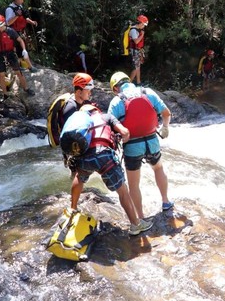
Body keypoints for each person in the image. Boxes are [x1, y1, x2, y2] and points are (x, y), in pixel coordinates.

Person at [60, 106, 153, 236]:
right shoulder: (106, 117)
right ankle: (136, 225)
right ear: (95, 109)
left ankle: (73, 208)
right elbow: (125, 132)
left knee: (79, 178)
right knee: (123, 191)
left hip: (84, 157)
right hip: (104, 156)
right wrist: (122, 138)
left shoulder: (80, 126)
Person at [108, 71, 173, 219]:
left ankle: (141, 217)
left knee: (134, 184)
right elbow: (166, 113)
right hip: (152, 140)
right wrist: (165, 128)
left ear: (115, 88)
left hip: (132, 146)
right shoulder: (147, 92)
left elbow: (110, 126)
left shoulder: (117, 101)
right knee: (158, 168)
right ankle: (166, 201)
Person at [0, 14, 35, 100]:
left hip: (10, 53)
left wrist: (24, 50)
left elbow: (20, 40)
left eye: (0, 26)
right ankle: (5, 94)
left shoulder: (10, 31)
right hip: (0, 54)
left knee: (18, 72)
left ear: (4, 23)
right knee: (1, 75)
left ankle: (26, 89)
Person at [5, 0, 38, 72]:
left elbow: (24, 17)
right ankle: (22, 67)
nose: (22, 1)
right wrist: (16, 15)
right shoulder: (9, 9)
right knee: (15, 50)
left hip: (20, 31)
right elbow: (8, 23)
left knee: (22, 49)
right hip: (12, 32)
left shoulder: (20, 7)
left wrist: (31, 22)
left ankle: (22, 66)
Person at [127, 15, 149, 85]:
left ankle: (138, 82)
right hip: (134, 51)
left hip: (138, 50)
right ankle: (128, 84)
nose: (144, 26)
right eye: (143, 24)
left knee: (138, 67)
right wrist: (142, 35)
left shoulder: (138, 30)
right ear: (140, 23)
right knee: (135, 68)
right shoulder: (133, 30)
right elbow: (136, 41)